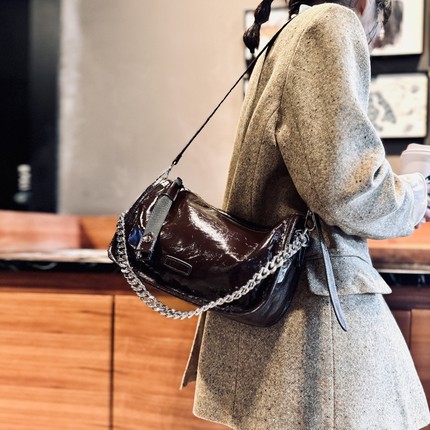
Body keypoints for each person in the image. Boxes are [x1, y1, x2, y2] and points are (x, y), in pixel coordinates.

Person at [181, 1, 430, 429]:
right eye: (375, 33)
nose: (370, 41)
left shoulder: (288, 35)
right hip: (311, 317)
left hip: (278, 313)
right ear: (367, 4)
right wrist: (412, 197)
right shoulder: (330, 24)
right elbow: (347, 189)